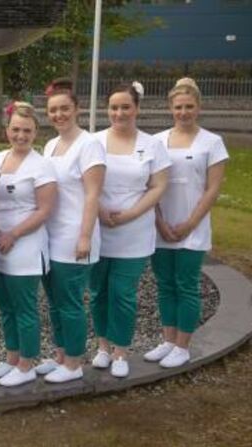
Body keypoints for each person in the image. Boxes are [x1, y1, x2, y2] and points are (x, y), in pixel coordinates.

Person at [145, 78, 228, 368]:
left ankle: (182, 346)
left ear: (199, 107)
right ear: (170, 108)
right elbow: (150, 185)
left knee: (187, 285)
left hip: (193, 228)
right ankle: (168, 341)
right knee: (165, 284)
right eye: (178, 107)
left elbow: (212, 189)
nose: (183, 112)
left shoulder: (212, 143)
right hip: (161, 227)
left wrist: (190, 223)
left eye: (189, 106)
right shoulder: (156, 142)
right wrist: (159, 222)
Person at [91, 82, 171, 378]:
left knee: (123, 294)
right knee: (98, 291)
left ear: (136, 108)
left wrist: (131, 214)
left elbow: (159, 185)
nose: (119, 113)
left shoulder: (152, 146)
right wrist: (100, 211)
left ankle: (121, 351)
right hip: (98, 229)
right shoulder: (93, 142)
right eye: (114, 107)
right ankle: (102, 347)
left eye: (126, 107)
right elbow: (83, 182)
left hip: (134, 232)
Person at [38, 78, 106, 383]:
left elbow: (92, 194)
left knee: (70, 302)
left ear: (77, 109)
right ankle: (61, 354)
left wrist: (85, 236)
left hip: (73, 235)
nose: (59, 115)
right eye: (53, 110)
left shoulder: (89, 145)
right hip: (49, 234)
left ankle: (75, 363)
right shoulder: (50, 145)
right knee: (54, 300)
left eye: (64, 108)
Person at [0, 102, 57, 387]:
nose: (20, 135)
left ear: (35, 132)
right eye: (16, 129)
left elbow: (44, 210)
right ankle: (12, 357)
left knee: (24, 308)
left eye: (27, 131)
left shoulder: (42, 165)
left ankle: (27, 364)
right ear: (7, 130)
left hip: (26, 245)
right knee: (5, 306)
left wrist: (12, 234)